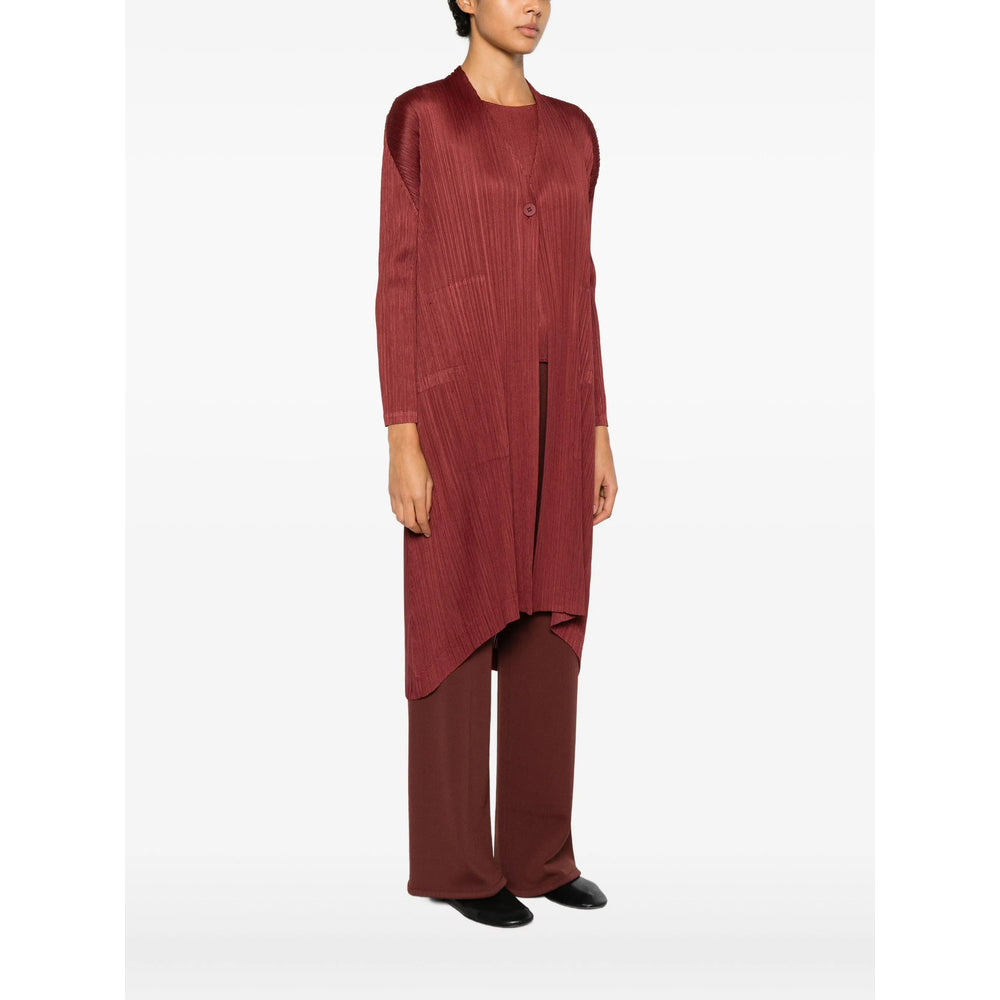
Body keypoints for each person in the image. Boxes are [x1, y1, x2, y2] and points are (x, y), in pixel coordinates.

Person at [375, 0, 619, 928]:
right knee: (454, 611)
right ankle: (455, 866)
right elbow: (398, 280)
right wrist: (402, 433)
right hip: (459, 406)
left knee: (547, 619)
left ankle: (539, 857)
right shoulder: (423, 119)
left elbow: (580, 283)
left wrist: (598, 426)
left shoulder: (576, 132)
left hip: (560, 406)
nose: (533, 4)